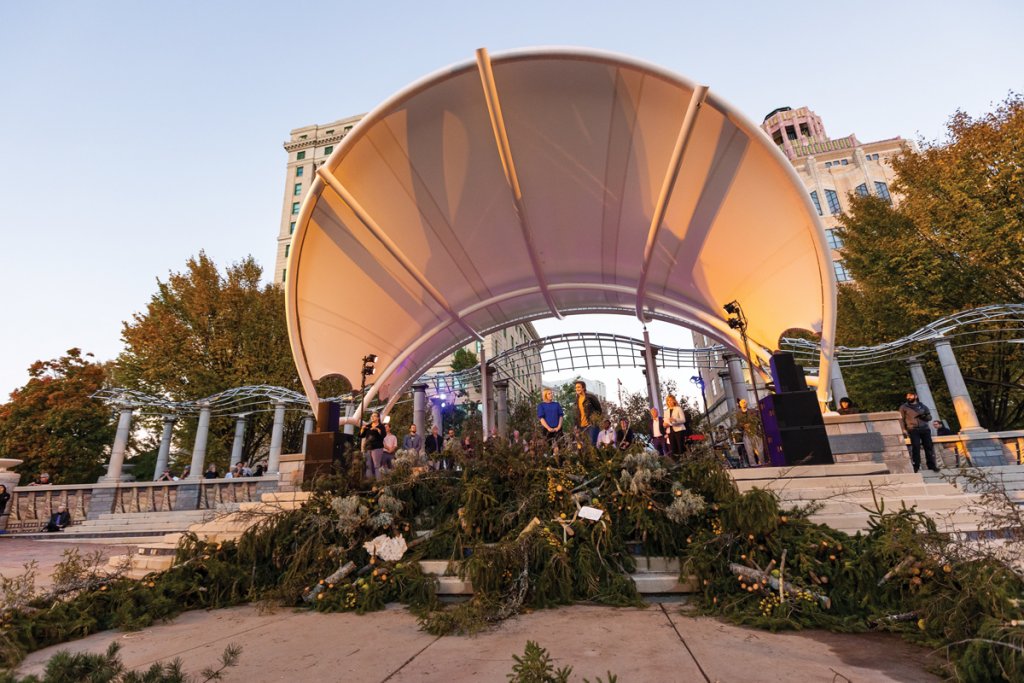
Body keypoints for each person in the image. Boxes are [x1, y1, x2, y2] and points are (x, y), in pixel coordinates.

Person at [900, 391, 939, 473]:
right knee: (916, 447)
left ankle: (932, 465)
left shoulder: (923, 406)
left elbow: (929, 417)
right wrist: (903, 429)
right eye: (907, 396)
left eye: (910, 396)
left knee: (928, 447)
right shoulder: (903, 407)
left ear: (915, 396)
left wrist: (925, 416)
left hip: (925, 429)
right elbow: (901, 419)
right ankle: (916, 466)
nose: (909, 397)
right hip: (913, 429)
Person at [573, 381, 603, 446]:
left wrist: (595, 420)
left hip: (592, 425)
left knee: (592, 445)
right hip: (581, 427)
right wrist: (576, 426)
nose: (577, 389)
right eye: (576, 387)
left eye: (579, 387)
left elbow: (599, 410)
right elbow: (576, 415)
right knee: (584, 447)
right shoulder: (576, 400)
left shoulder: (591, 397)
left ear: (583, 388)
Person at [736, 399, 763, 466]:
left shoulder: (753, 411)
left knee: (760, 450)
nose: (744, 403)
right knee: (749, 450)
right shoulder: (738, 414)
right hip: (746, 434)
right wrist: (743, 426)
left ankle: (762, 462)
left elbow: (759, 420)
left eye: (745, 402)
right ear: (740, 404)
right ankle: (753, 464)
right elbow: (738, 426)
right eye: (742, 402)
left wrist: (752, 424)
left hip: (755, 432)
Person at [360, 412, 387, 479]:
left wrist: (377, 429)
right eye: (371, 416)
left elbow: (383, 435)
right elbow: (361, 435)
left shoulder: (381, 426)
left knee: (376, 466)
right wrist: (362, 429)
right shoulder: (368, 426)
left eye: (374, 416)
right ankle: (369, 482)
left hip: (377, 448)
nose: (372, 417)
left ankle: (379, 483)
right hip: (367, 448)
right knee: (368, 466)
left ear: (378, 418)